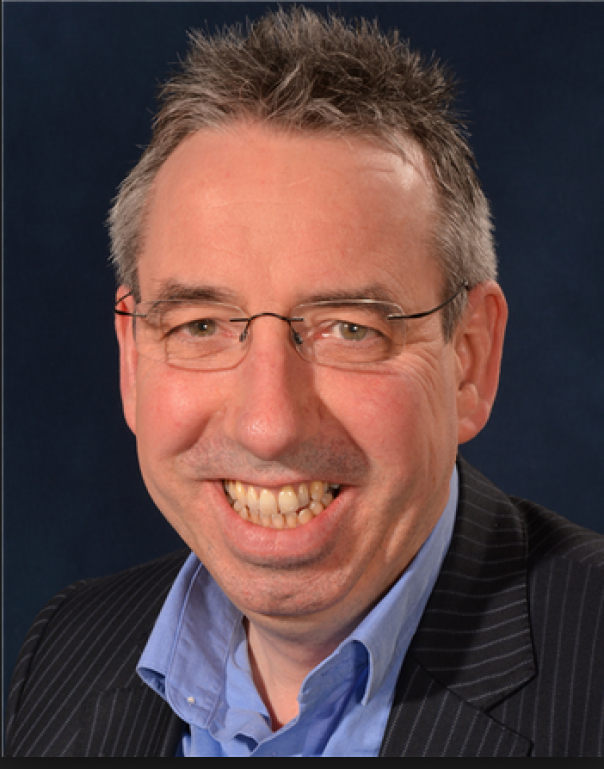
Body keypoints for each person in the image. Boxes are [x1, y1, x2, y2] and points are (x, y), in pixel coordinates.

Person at [5, 7, 604, 757]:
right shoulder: (69, 646)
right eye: (201, 325)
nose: (269, 425)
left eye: (349, 329)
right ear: (132, 358)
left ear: (469, 359)